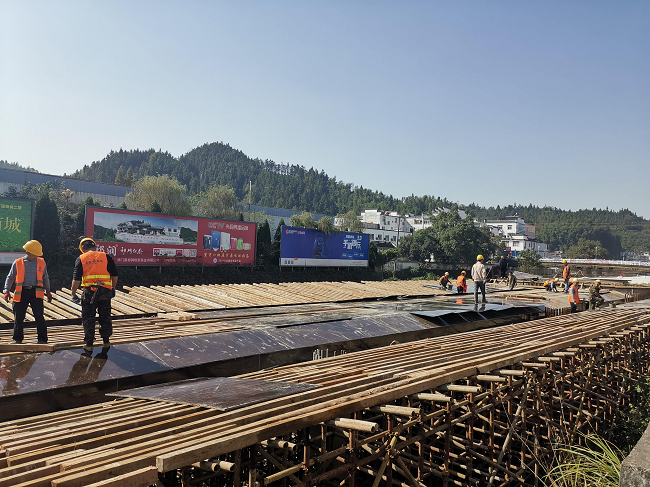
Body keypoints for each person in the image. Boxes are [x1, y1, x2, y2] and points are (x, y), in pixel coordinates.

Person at [70, 238, 118, 352]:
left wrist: (73, 293)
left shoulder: (81, 258)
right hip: (105, 291)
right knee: (105, 315)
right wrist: (113, 288)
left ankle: (89, 344)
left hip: (89, 292)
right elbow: (115, 275)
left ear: (82, 249)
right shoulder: (106, 256)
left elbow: (76, 279)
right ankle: (106, 342)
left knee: (88, 317)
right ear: (95, 247)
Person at [2, 240, 52, 344]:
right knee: (19, 317)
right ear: (28, 252)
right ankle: (17, 339)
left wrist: (48, 291)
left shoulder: (41, 262)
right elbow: (10, 277)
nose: (36, 256)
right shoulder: (18, 263)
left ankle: (42, 339)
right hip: (21, 293)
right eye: (35, 254)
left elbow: (45, 277)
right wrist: (6, 291)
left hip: (36, 292)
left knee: (39, 316)